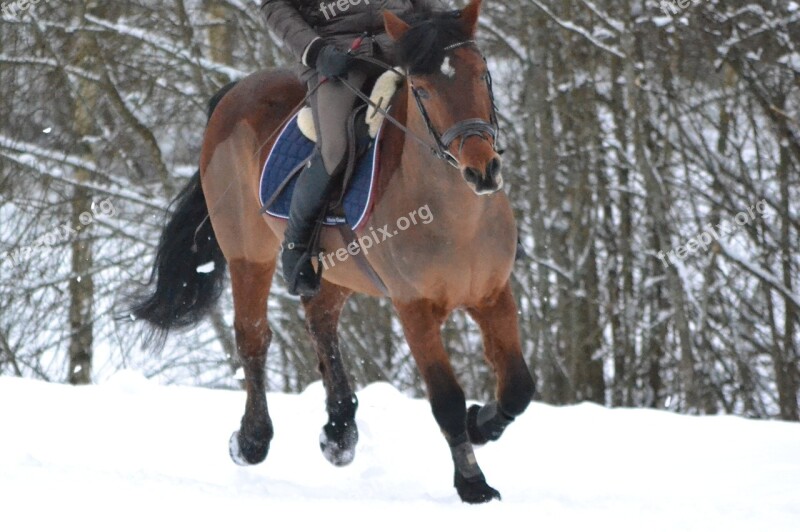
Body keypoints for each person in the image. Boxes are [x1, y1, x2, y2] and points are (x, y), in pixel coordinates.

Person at [261, 0, 445, 297]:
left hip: (404, 43)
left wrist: (441, 26)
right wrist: (316, 51)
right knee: (335, 149)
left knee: (460, 111)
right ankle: (297, 244)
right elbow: (275, 7)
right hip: (340, 56)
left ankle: (492, 219)